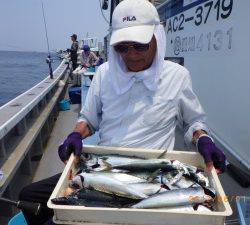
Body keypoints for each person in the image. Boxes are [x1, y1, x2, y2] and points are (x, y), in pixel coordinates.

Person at [19, 0, 226, 224]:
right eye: (122, 47)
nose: (131, 54)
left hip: (154, 173)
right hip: (106, 166)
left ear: (157, 37)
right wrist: (77, 134)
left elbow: (193, 122)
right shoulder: (103, 73)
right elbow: (89, 119)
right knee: (28, 196)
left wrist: (203, 139)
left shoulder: (177, 76)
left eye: (140, 45)